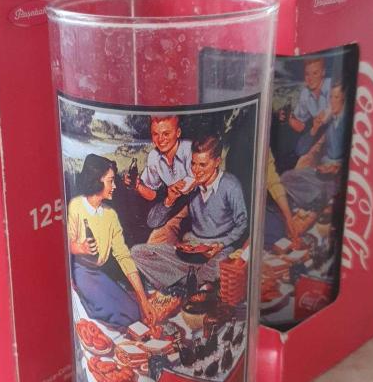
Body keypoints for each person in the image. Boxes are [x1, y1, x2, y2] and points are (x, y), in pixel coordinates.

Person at [132, 135, 248, 288]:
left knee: (216, 268)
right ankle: (188, 282)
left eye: (203, 165)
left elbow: (243, 224)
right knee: (137, 252)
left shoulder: (230, 185)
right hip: (191, 251)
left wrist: (221, 244)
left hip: (219, 251)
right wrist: (170, 199)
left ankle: (184, 282)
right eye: (193, 164)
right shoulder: (189, 187)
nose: (196, 170)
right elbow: (153, 222)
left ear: (217, 162)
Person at [68, 154, 155, 327]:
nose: (114, 186)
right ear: (97, 181)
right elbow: (66, 245)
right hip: (79, 271)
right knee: (115, 315)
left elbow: (124, 257)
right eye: (111, 181)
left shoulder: (110, 215)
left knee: (134, 313)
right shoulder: (76, 206)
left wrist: (143, 300)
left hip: (98, 272)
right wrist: (81, 248)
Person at [123, 115, 195, 244]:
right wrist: (137, 186)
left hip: (198, 201)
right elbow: (152, 194)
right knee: (153, 228)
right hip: (176, 204)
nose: (160, 139)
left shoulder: (189, 148)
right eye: (155, 134)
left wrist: (177, 188)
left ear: (178, 133)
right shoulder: (154, 156)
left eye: (166, 134)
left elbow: (196, 178)